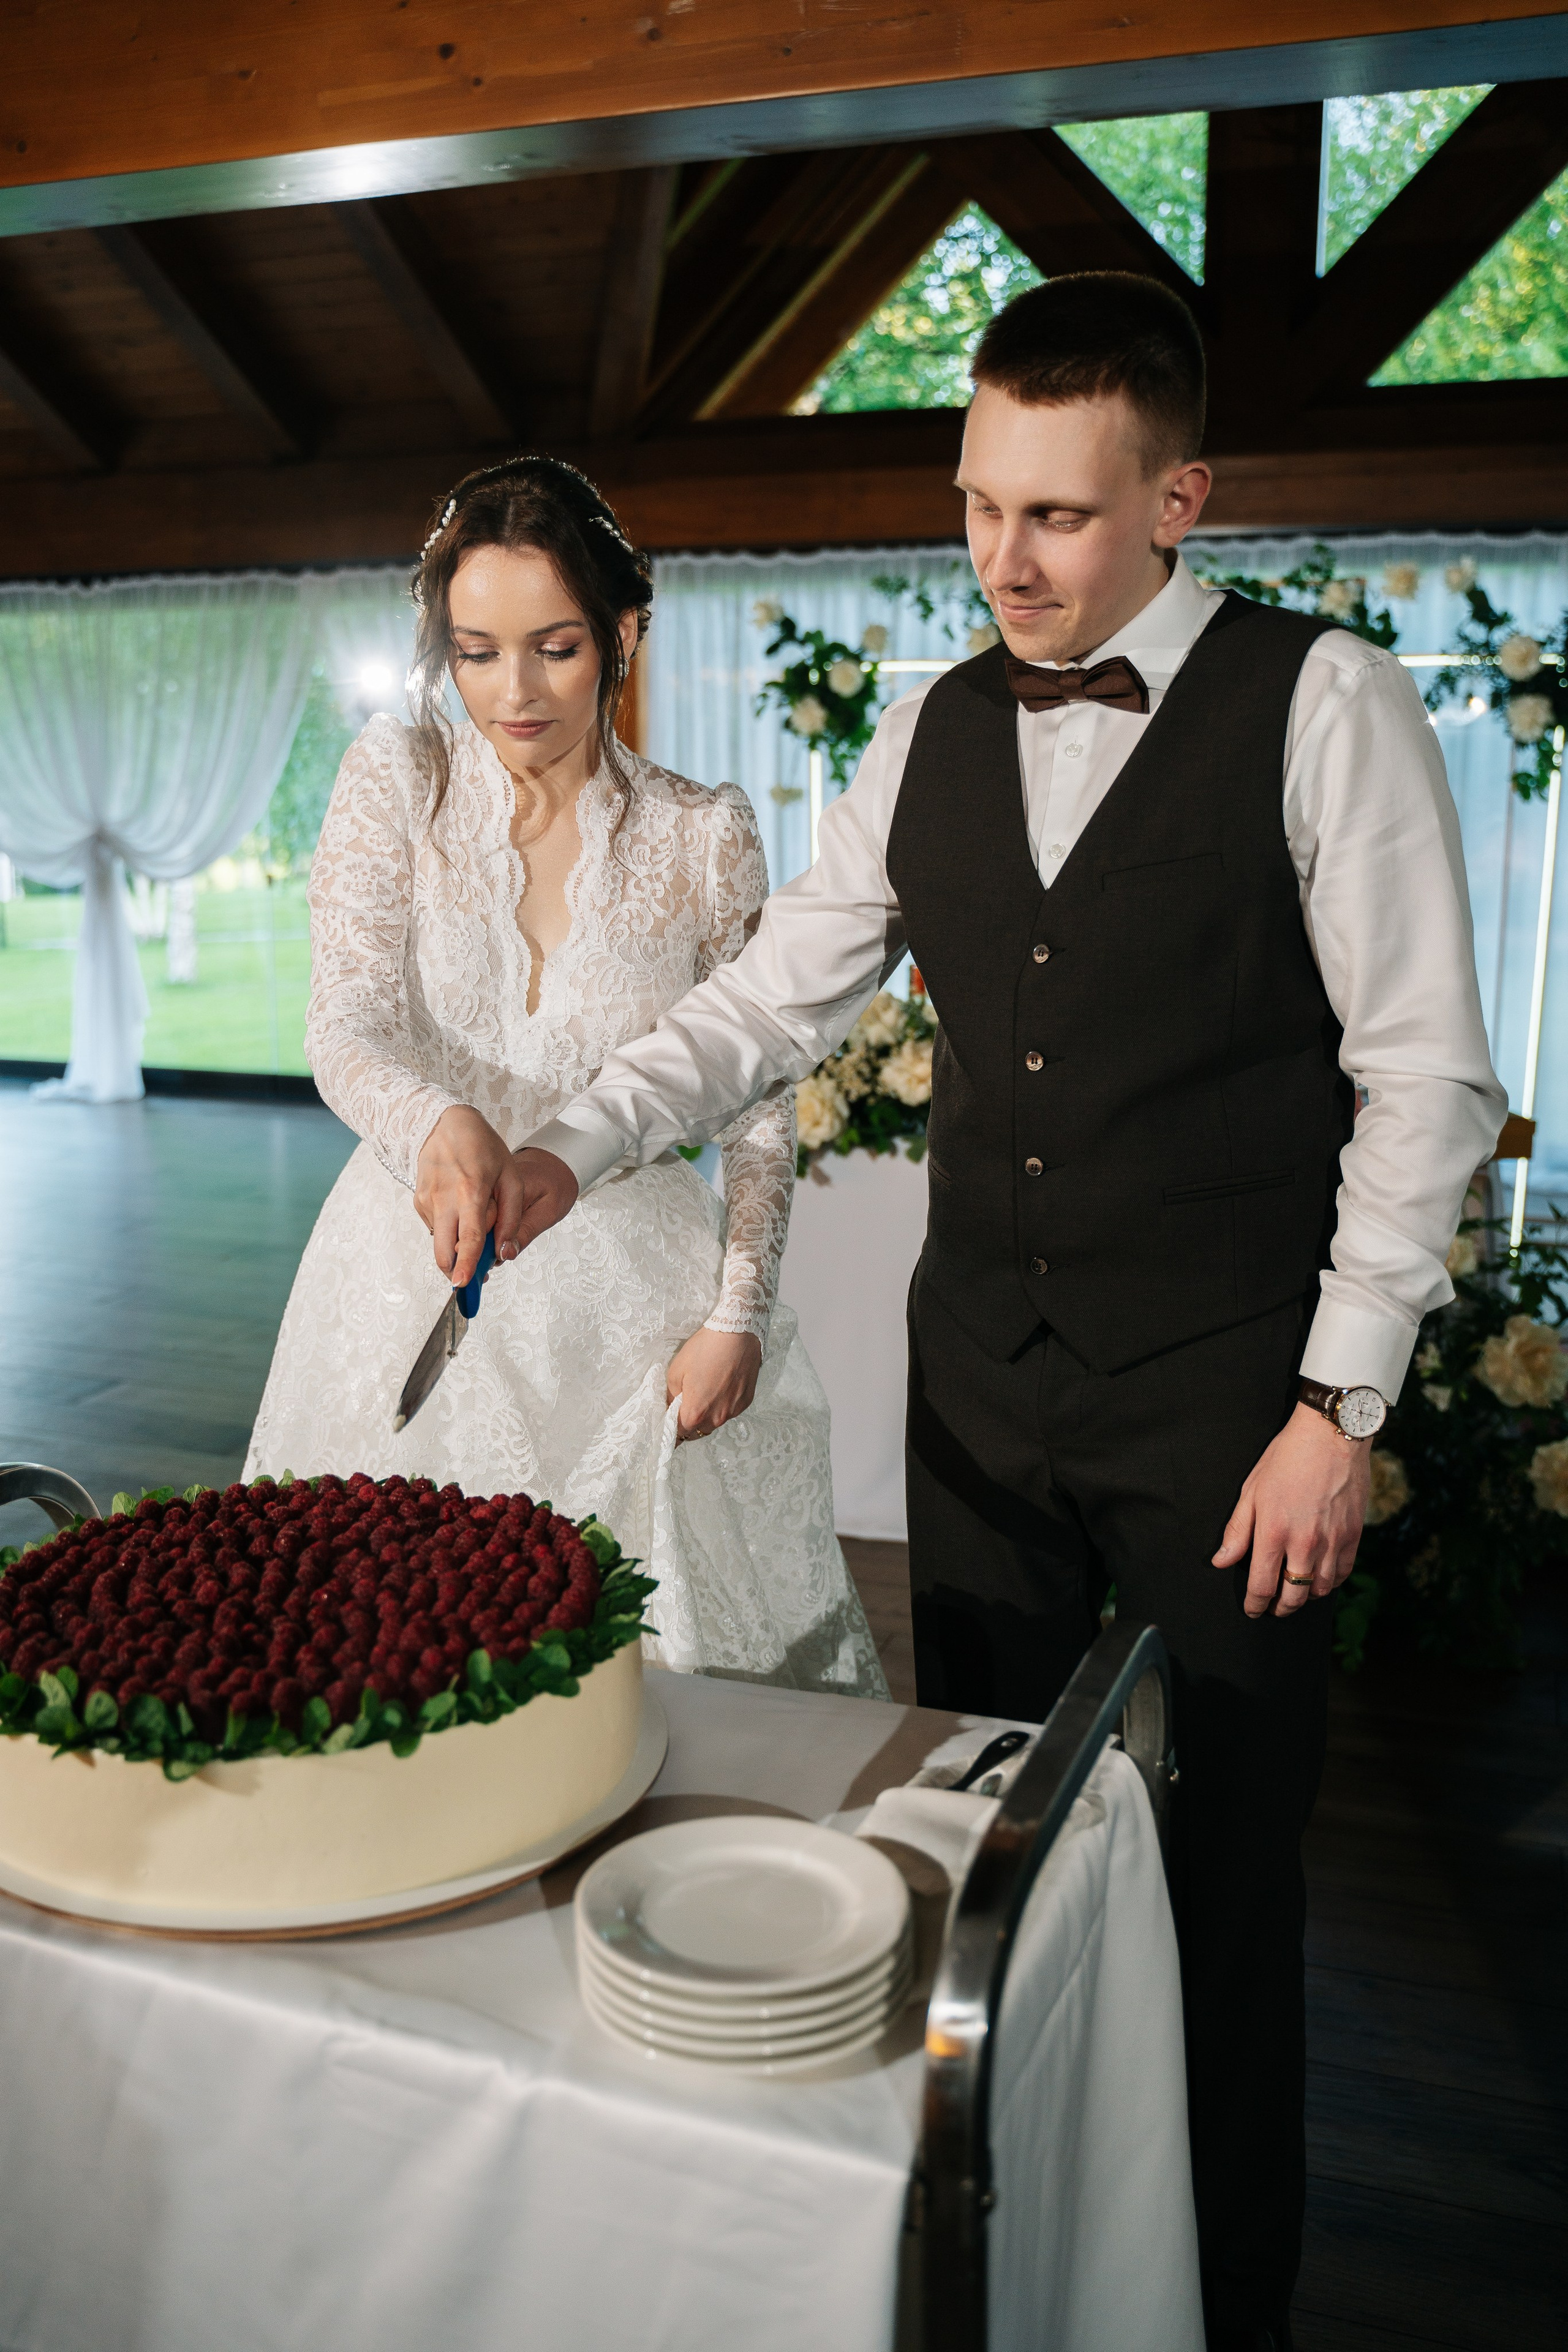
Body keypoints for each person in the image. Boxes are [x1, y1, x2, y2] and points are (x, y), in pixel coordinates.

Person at [486, 280, 1507, 2346]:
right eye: (977, 506)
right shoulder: (936, 730)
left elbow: (1429, 1081)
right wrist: (565, 1149)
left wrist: (1341, 1405)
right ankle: (1029, 2268)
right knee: (996, 1857)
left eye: (1054, 515)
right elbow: (768, 1002)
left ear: (1180, 498)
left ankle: (1225, 2300)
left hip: (1238, 1419)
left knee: (1223, 1889)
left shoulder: (1331, 708)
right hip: (982, 1405)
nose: (1004, 561)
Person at [244, 454, 885, 1701]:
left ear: (622, 631)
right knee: (379, 1654)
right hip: (402, 1276)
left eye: (553, 647)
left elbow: (756, 1105)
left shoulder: (706, 831)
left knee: (632, 1685)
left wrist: (736, 1313)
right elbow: (345, 1022)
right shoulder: (396, 779)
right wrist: (436, 1118)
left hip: (634, 1322)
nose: (513, 692)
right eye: (476, 652)